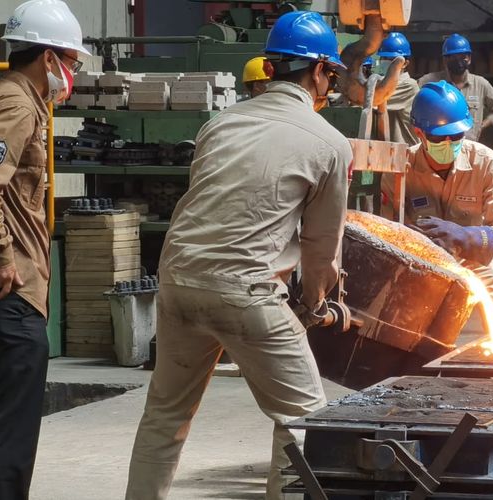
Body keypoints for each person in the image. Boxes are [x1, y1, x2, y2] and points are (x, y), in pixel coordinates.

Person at [124, 11, 352, 500]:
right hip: (246, 289)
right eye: (330, 76)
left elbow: (209, 207)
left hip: (179, 280)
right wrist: (316, 303)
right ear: (317, 72)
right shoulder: (330, 143)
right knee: (305, 418)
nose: (328, 87)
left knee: (165, 416)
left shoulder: (219, 125)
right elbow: (321, 246)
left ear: (270, 70)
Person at [0, 1, 88, 498]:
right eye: (71, 62)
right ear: (49, 58)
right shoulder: (14, 103)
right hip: (12, 295)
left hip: (17, 292)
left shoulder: (24, 100)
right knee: (12, 432)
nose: (72, 73)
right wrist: (2, 258)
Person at [382, 81, 493, 325]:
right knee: (400, 323)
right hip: (424, 261)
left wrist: (466, 237)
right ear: (419, 133)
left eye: (456, 136)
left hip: (479, 258)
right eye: (439, 138)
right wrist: (414, 241)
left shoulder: (487, 164)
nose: (449, 143)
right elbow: (386, 233)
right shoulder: (401, 170)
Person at [418, 34, 493, 143]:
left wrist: (481, 126)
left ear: (469, 58)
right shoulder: (428, 82)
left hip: (470, 145)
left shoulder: (481, 84)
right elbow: (413, 110)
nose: (458, 61)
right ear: (445, 60)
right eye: (453, 57)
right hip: (439, 146)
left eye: (462, 56)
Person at [375, 32, 419, 145]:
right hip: (386, 152)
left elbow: (373, 99)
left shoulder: (409, 86)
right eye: (384, 57)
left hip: (406, 153)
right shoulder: (380, 82)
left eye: (392, 59)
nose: (386, 61)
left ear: (405, 63)